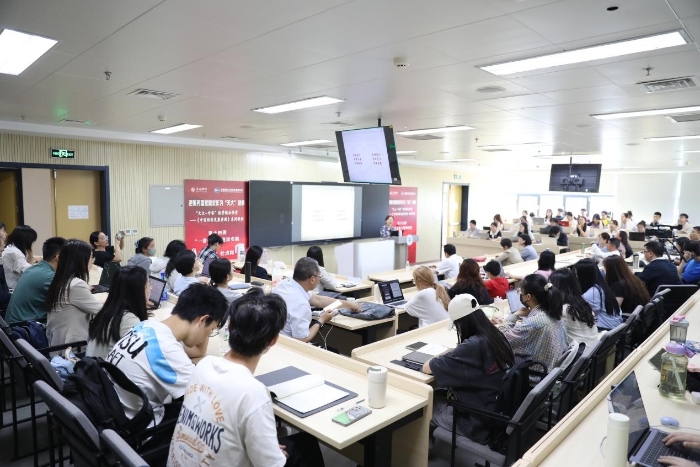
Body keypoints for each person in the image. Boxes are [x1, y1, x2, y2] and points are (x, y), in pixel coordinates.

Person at [167, 288, 325, 467]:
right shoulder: (254, 393)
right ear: (273, 340)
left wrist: (268, 448)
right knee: (307, 444)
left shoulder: (203, 365)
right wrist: (273, 455)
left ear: (229, 328)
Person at [107, 284, 228, 439]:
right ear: (202, 319)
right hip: (140, 431)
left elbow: (193, 352)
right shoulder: (166, 349)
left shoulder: (145, 327)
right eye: (211, 330)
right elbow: (208, 396)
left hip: (114, 416)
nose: (207, 336)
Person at [422, 293, 514, 445]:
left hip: (477, 421)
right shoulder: (494, 334)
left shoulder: (472, 346)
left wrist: (448, 352)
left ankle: (427, 452)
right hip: (495, 408)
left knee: (427, 406)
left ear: (462, 323)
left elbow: (427, 367)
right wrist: (457, 351)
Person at [273, 257, 359, 342]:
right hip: (287, 345)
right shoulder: (301, 304)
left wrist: (347, 304)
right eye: (320, 276)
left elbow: (318, 300)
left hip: (273, 338)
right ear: (312, 280)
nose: (319, 279)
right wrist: (321, 320)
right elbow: (302, 339)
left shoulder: (285, 283)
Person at [494, 274, 568, 372]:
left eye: (521, 293)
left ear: (528, 297)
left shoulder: (533, 323)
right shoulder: (554, 313)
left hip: (533, 376)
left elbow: (501, 340)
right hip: (553, 372)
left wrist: (513, 316)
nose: (520, 296)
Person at [45, 240, 104, 347]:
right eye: (91, 257)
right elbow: (102, 312)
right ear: (81, 260)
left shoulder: (61, 280)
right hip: (72, 348)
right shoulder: (76, 284)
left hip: (58, 343)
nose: (92, 262)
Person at [86, 266, 148, 359]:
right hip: (104, 367)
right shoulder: (129, 320)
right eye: (149, 285)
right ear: (140, 290)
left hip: (92, 364)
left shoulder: (109, 310)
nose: (151, 288)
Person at [6, 237, 65, 324]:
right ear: (58, 258)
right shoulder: (49, 276)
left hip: (14, 326)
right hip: (25, 327)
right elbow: (70, 299)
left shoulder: (34, 268)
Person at [549, 269, 598, 347]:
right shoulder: (583, 305)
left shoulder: (562, 310)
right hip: (594, 349)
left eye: (550, 286)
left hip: (580, 352)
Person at [573, 258, 621, 330]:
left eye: (577, 274)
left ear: (584, 276)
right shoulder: (601, 286)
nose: (575, 277)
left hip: (604, 328)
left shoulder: (591, 293)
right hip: (615, 326)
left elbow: (581, 314)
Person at [1, 225, 38, 289]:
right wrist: (31, 254)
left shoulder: (11, 248)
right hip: (13, 289)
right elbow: (29, 272)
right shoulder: (14, 253)